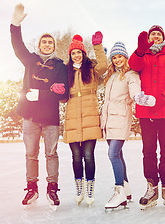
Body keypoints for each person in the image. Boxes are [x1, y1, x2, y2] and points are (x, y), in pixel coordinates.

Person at [10, 3, 69, 209]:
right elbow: (18, 47)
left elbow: (64, 93)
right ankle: (31, 189)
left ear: (54, 46)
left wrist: (42, 94)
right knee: (30, 154)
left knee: (51, 154)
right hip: (30, 117)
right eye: (44, 41)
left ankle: (52, 188)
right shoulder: (30, 60)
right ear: (40, 45)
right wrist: (14, 25)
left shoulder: (60, 66)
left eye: (50, 42)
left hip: (51, 118)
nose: (46, 44)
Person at [128, 25, 165, 209]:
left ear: (163, 38)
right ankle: (151, 187)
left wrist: (161, 98)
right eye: (153, 34)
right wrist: (139, 50)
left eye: (159, 34)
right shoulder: (142, 56)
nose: (155, 36)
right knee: (149, 151)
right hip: (146, 113)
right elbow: (133, 66)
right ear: (149, 38)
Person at [101, 42, 156, 210]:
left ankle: (119, 192)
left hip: (121, 118)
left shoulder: (131, 74)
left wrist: (140, 98)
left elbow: (134, 90)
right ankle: (126, 187)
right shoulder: (111, 76)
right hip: (107, 120)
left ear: (125, 57)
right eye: (114, 57)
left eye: (120, 56)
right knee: (118, 154)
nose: (117, 60)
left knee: (113, 154)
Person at [63, 32, 107, 207]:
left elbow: (104, 66)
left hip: (90, 116)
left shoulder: (91, 69)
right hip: (72, 118)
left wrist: (98, 46)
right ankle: (79, 188)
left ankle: (90, 189)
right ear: (70, 55)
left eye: (79, 52)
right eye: (73, 53)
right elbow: (60, 93)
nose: (76, 55)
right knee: (75, 157)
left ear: (83, 53)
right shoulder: (67, 72)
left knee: (88, 156)